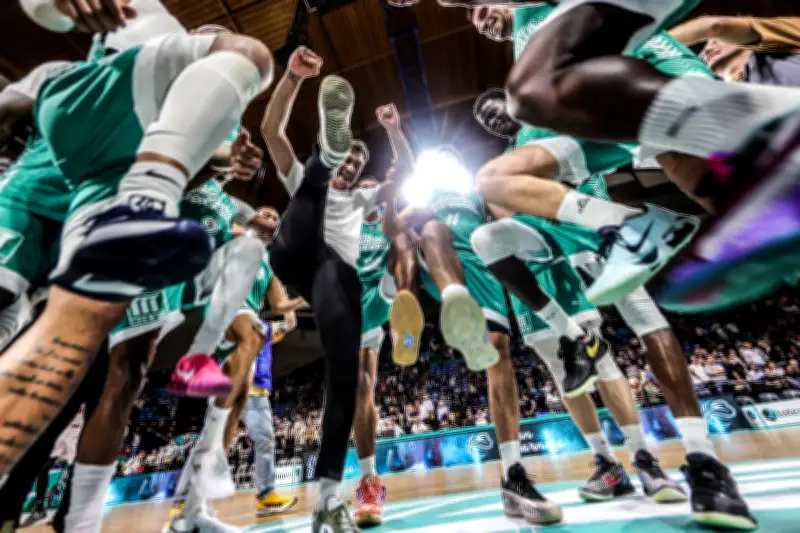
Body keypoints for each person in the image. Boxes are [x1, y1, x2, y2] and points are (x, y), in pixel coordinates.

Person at [1, 0, 275, 476]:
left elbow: (201, 168)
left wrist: (227, 163)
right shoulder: (76, 76)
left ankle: (81, 505)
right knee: (58, 350)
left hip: (121, 234)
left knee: (110, 370)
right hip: (58, 211)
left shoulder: (206, 125)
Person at [426, 0, 800, 314]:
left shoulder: (532, 11)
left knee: (729, 180)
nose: (482, 22)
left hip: (649, 76)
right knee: (495, 178)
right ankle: (632, 226)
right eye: (476, 22)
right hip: (612, 117)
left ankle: (771, 129)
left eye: (481, 11)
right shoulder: (526, 44)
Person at [261, 46, 396, 533]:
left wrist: (397, 134)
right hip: (296, 248)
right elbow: (271, 132)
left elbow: (402, 179)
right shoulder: (301, 178)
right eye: (350, 156)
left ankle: (328, 500)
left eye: (357, 159)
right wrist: (293, 78)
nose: (355, 165)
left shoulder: (364, 200)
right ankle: (323, 157)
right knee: (308, 189)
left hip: (332, 278)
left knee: (345, 380)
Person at [383, 180, 563, 525]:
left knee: (498, 352)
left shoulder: (479, 193)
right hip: (441, 261)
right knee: (428, 230)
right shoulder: (428, 193)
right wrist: (392, 189)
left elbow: (509, 220)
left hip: (483, 267)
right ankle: (418, 310)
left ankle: (513, 475)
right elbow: (391, 227)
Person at [241, 321, 299, 517]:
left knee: (264, 442)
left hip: (254, 393)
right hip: (240, 388)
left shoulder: (264, 328)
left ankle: (266, 496)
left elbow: (290, 323)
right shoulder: (233, 322)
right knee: (211, 445)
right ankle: (184, 502)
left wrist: (292, 305)